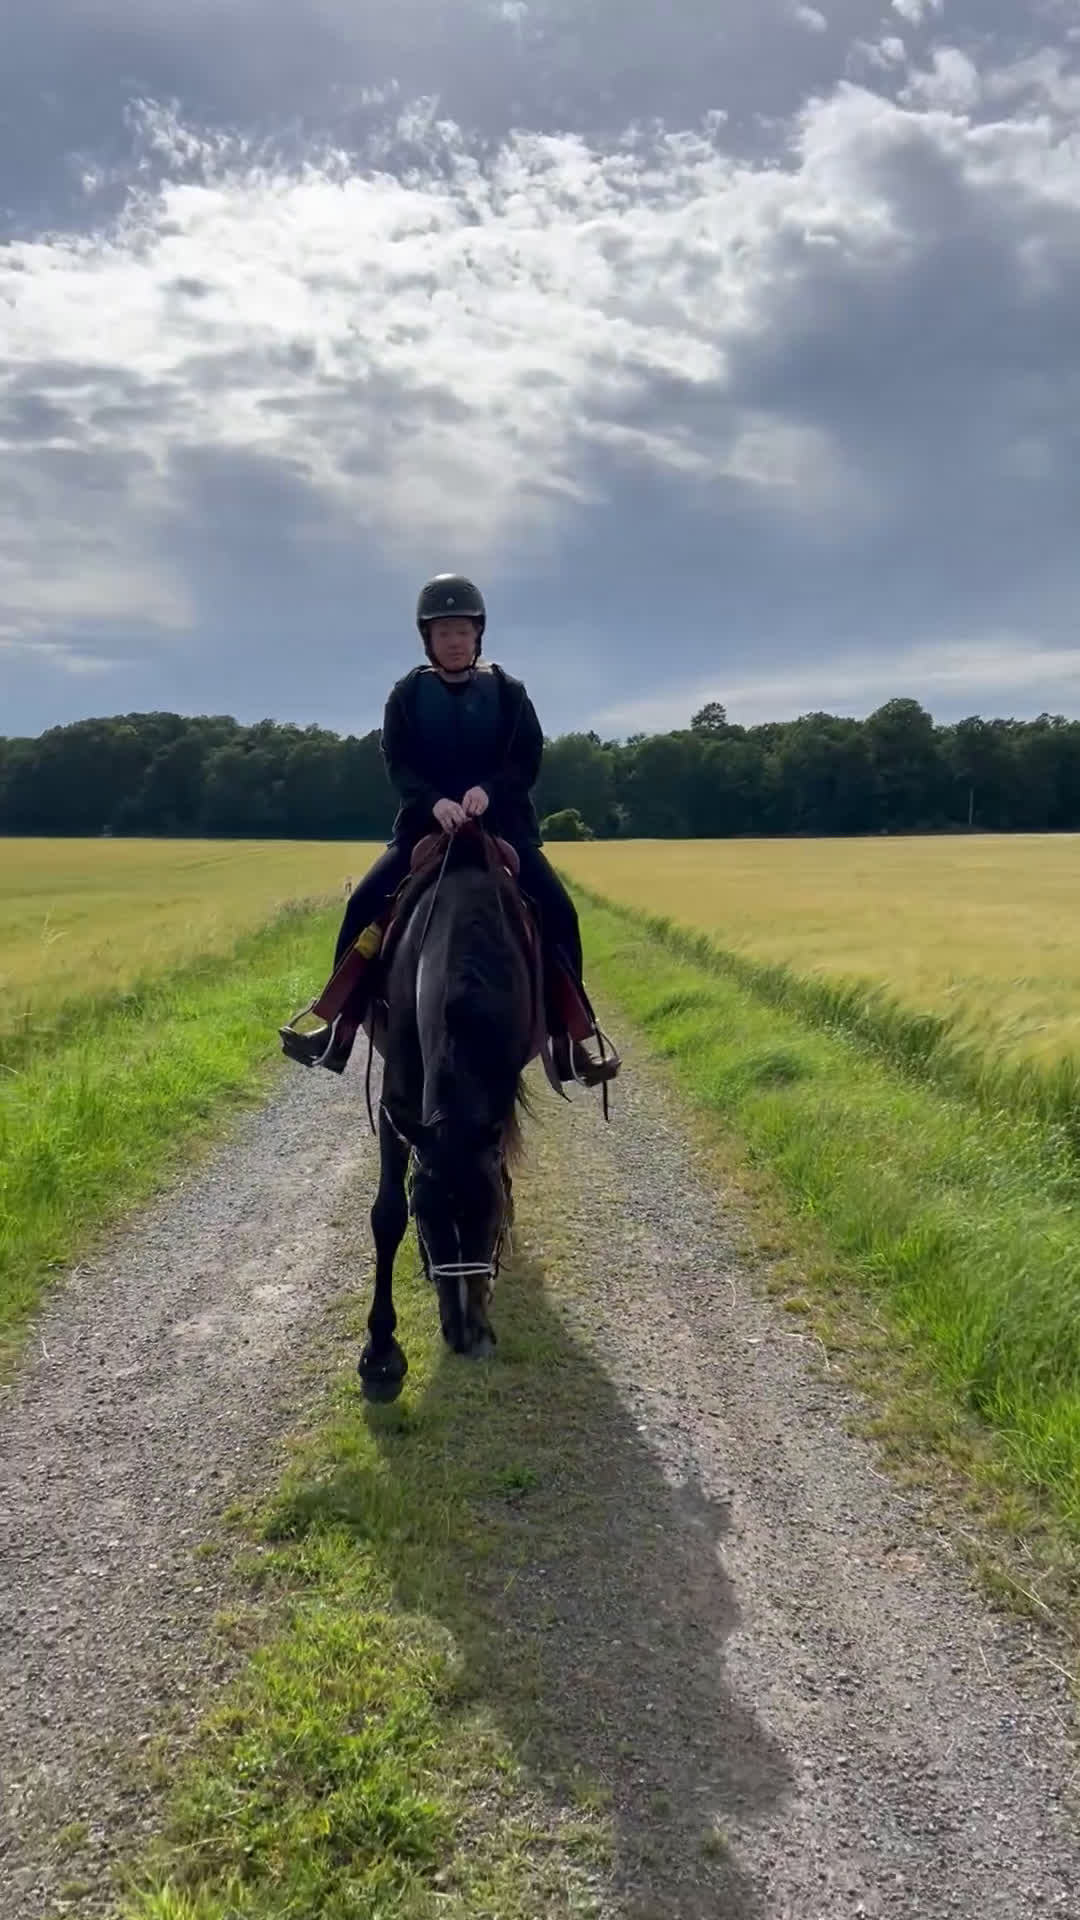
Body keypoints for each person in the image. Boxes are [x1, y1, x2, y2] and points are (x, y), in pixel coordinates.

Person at [282, 574, 617, 1086]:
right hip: (425, 825)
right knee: (362, 906)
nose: (454, 641)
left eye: (462, 631)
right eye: (444, 633)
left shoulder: (509, 692)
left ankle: (572, 1038)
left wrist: (489, 789)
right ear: (428, 640)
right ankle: (339, 1030)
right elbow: (398, 763)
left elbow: (527, 759)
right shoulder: (407, 695)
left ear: (478, 635)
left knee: (558, 910)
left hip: (503, 823)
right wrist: (434, 800)